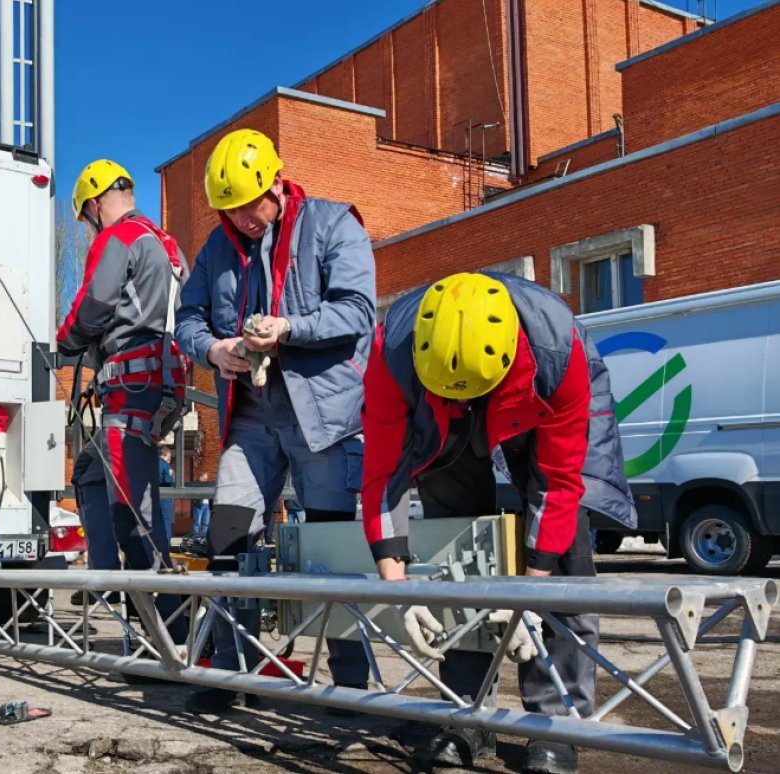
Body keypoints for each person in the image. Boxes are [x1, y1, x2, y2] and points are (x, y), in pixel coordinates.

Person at [361, 271, 636, 774]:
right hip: (435, 405)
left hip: (536, 393)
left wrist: (530, 600)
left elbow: (557, 481)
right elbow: (382, 471)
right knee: (456, 552)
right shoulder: (391, 352)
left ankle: (557, 723)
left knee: (565, 549)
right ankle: (466, 713)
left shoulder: (560, 350)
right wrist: (397, 590)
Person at [175, 128, 375, 714]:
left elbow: (359, 309)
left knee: (332, 549)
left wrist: (288, 328)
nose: (243, 218)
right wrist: (213, 350)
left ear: (275, 182)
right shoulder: (216, 249)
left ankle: (349, 687)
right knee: (229, 536)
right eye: (229, 210)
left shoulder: (335, 224)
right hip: (252, 418)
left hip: (326, 418)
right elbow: (188, 318)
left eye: (250, 203)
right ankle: (229, 672)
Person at [59, 158, 188, 642]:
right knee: (92, 473)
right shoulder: (168, 245)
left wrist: (66, 340)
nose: (90, 230)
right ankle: (106, 577)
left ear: (94, 205)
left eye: (87, 220)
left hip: (132, 385)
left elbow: (92, 305)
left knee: (132, 511)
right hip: (158, 386)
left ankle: (166, 636)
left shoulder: (118, 239)